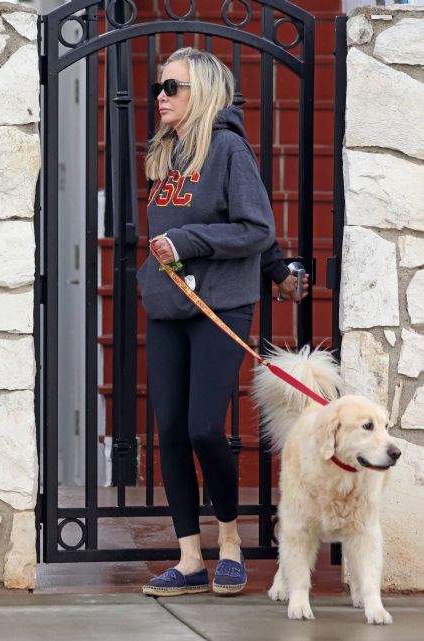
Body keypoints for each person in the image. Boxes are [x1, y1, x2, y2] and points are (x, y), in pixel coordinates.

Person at [137, 47, 305, 598]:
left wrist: (189, 241)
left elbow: (255, 225)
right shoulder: (166, 153)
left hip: (218, 307)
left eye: (172, 87)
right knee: (168, 432)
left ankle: (229, 543)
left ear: (202, 92)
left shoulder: (228, 148)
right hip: (168, 307)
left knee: (203, 427)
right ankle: (189, 558)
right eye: (161, 86)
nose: (160, 96)